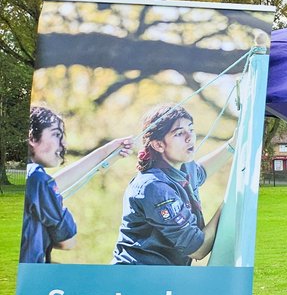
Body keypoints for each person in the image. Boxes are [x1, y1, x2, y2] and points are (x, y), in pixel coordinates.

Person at [113, 104, 233, 265]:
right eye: (179, 133)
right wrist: (228, 205)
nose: (189, 137)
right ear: (158, 145)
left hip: (164, 279)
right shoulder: (153, 188)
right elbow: (198, 249)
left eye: (191, 129)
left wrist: (235, 143)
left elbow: (201, 171)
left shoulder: (183, 168)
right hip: (135, 280)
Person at [22, 106, 133, 263]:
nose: (63, 144)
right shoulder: (35, 177)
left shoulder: (23, 177)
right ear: (32, 138)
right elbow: (68, 241)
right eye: (56, 135)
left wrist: (105, 152)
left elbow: (51, 186)